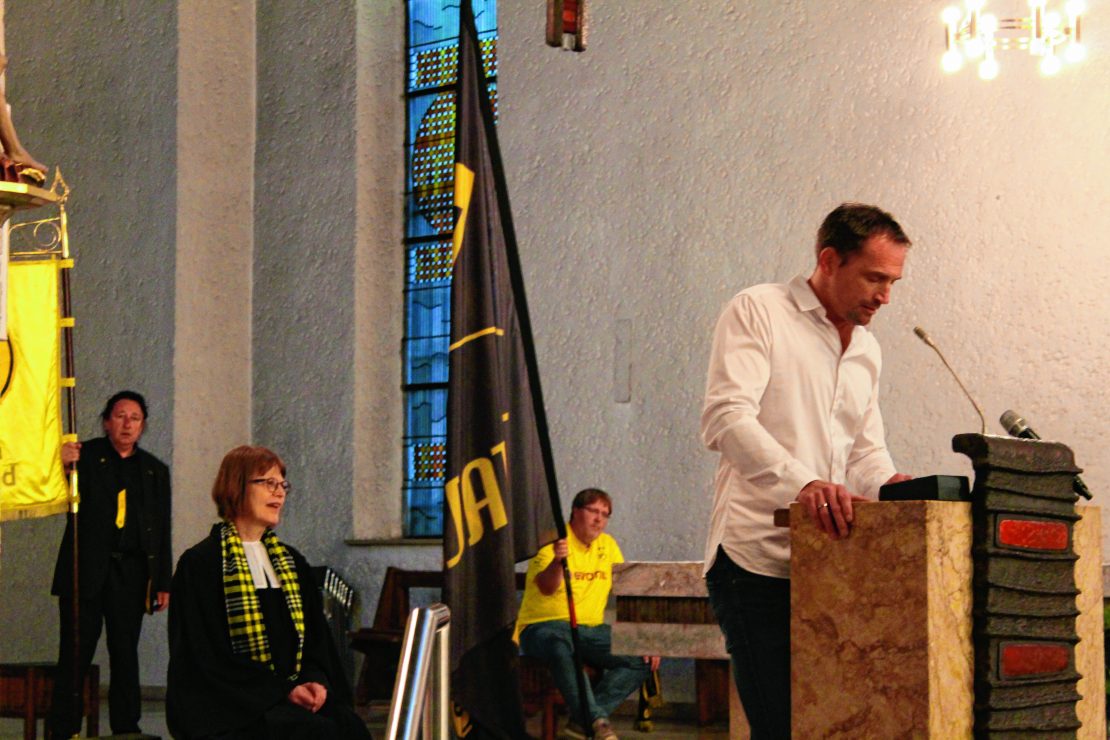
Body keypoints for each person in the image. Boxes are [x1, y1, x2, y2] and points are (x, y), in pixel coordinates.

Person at [700, 203, 913, 738]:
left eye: (893, 282)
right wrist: (805, 486)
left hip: (831, 566)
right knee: (782, 728)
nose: (885, 297)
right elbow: (726, 418)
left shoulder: (867, 349)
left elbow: (863, 454)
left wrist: (891, 488)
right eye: (875, 278)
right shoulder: (759, 310)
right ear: (829, 260)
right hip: (757, 562)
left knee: (832, 727)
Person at [166, 445, 371, 740]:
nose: (279, 493)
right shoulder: (201, 564)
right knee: (314, 732)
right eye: (268, 483)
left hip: (290, 694)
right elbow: (203, 655)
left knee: (349, 726)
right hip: (232, 705)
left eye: (283, 485)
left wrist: (315, 681)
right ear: (236, 486)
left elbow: (316, 642)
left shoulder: (291, 562)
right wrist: (281, 691)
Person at [48, 390, 172, 737]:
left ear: (143, 425)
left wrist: (162, 581)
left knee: (125, 652)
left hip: (131, 572)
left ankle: (126, 728)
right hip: (85, 570)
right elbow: (52, 489)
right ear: (106, 422)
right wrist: (59, 463)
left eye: (135, 418)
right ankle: (64, 728)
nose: (127, 424)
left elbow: (161, 529)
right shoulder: (84, 457)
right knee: (75, 653)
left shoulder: (154, 470)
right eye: (120, 416)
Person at [516, 488, 661, 740]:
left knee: (642, 658)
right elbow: (546, 587)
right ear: (575, 511)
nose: (599, 520)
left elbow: (625, 589)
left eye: (605, 514)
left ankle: (584, 721)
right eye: (593, 511)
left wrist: (641, 636)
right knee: (560, 646)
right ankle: (595, 722)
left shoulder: (608, 545)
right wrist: (557, 561)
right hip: (542, 627)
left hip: (590, 629)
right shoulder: (553, 541)